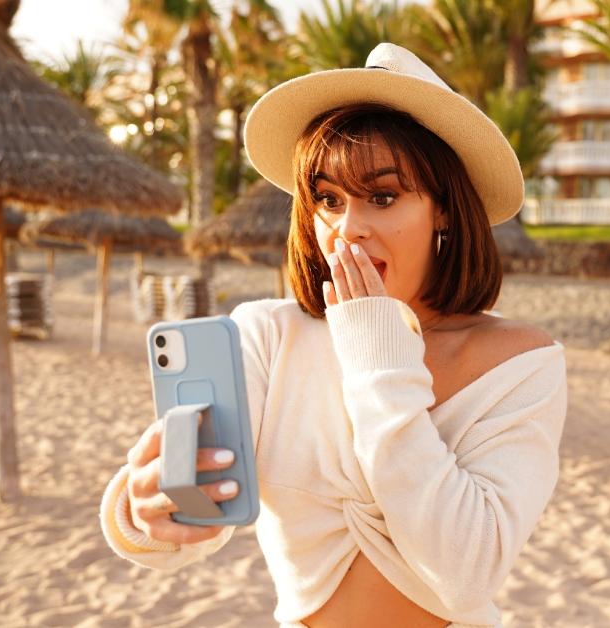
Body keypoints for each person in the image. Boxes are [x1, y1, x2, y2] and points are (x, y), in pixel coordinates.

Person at [98, 43, 568, 627]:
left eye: (383, 196)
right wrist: (146, 508)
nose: (349, 228)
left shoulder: (522, 362)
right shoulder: (269, 336)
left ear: (444, 209)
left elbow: (468, 572)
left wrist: (377, 352)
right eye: (328, 199)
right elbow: (196, 514)